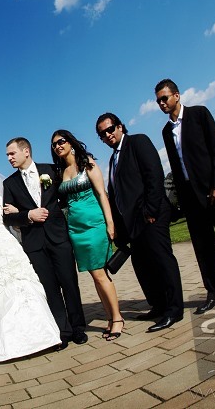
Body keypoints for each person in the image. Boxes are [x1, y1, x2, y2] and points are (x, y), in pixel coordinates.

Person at [155, 78, 215, 314]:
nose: (162, 103)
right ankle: (214, 294)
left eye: (165, 98)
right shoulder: (167, 132)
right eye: (158, 101)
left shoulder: (199, 114)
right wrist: (180, 201)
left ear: (177, 95)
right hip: (192, 200)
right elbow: (177, 170)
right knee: (204, 250)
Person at [96, 113, 184, 333]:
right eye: (102, 134)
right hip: (132, 224)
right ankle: (158, 305)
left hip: (150, 216)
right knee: (143, 266)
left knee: (162, 261)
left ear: (119, 126)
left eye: (110, 129)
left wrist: (151, 210)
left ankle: (174, 310)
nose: (107, 135)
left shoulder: (138, 142)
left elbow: (154, 174)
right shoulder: (112, 159)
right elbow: (118, 193)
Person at [2, 137, 87, 346]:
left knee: (69, 283)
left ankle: (78, 328)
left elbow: (66, 196)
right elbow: (7, 217)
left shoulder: (51, 169)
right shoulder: (9, 183)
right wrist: (28, 214)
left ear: (26, 151)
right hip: (34, 243)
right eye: (7, 155)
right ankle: (63, 332)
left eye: (12, 153)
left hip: (58, 237)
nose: (9, 158)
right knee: (50, 288)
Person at [0, 168, 61, 362]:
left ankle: (42, 337)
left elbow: (15, 222)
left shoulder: (2, 201)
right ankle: (5, 346)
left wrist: (16, 212)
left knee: (22, 288)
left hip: (8, 248)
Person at [50, 130, 125, 340]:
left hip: (94, 224)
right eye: (54, 145)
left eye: (61, 141)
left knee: (101, 274)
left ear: (71, 142)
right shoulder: (61, 173)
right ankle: (110, 318)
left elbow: (102, 193)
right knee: (95, 275)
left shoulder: (87, 163)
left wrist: (110, 224)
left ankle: (117, 318)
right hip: (75, 229)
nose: (58, 146)